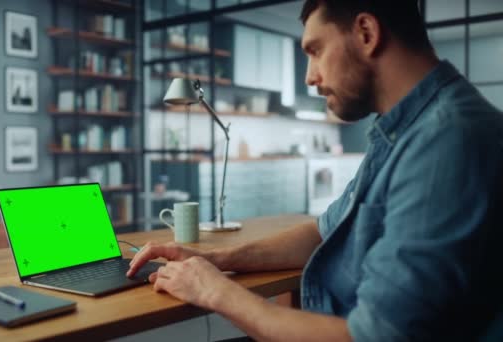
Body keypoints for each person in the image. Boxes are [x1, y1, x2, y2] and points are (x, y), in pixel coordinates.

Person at [127, 0, 503, 340]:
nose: (309, 76)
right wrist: (215, 260)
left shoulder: (446, 141)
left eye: (315, 50)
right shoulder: (405, 130)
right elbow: (325, 232)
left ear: (367, 33)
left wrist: (214, 290)